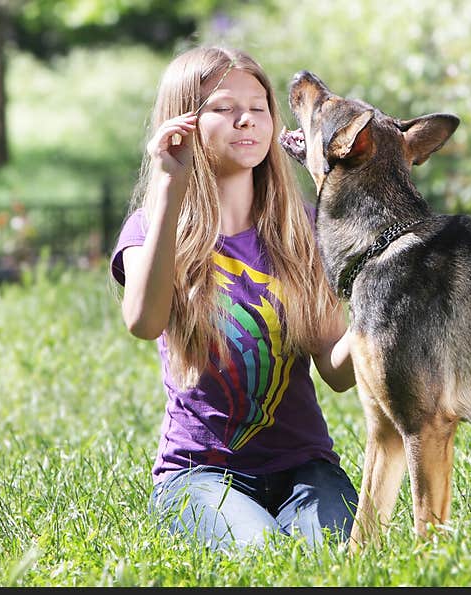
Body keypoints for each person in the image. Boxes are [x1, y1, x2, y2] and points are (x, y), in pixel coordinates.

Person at [110, 46, 358, 553]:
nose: (247, 120)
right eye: (223, 108)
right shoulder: (152, 230)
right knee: (259, 556)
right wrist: (169, 187)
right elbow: (142, 319)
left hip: (306, 470)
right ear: (182, 123)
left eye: (260, 106)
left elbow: (337, 372)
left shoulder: (304, 231)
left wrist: (387, 310)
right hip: (197, 475)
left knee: (326, 561)